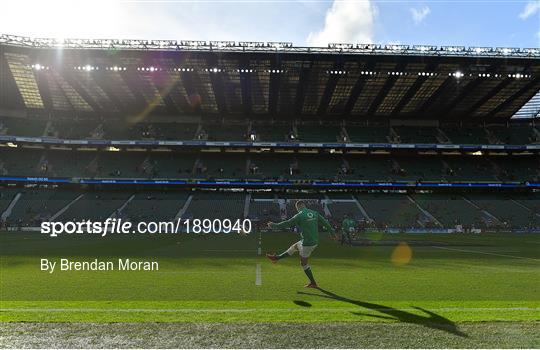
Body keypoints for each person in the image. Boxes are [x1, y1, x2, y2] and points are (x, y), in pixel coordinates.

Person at [266, 200, 334, 288]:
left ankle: (313, 283)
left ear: (297, 207)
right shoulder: (314, 213)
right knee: (294, 246)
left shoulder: (299, 215)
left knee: (303, 263)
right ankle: (276, 258)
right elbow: (325, 222)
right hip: (310, 241)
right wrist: (332, 233)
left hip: (308, 244)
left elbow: (287, 223)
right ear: (304, 205)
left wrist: (274, 225)